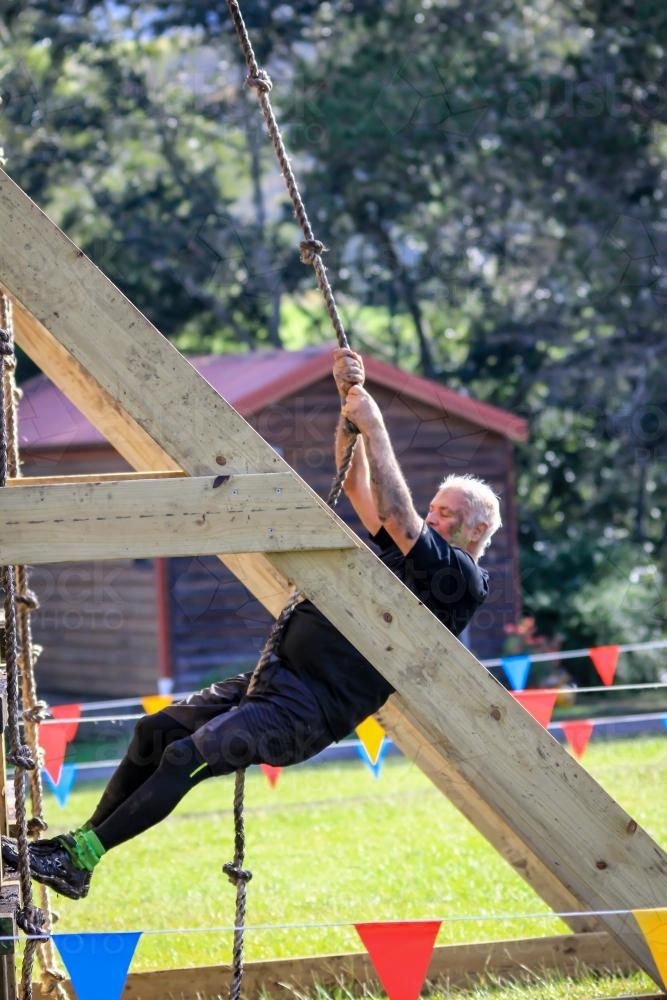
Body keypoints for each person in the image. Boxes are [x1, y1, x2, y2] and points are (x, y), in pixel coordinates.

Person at [2, 348, 501, 900]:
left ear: (476, 531)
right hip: (272, 681)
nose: (433, 516)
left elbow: (396, 513)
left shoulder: (458, 579)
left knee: (183, 756)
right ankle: (74, 853)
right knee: (156, 732)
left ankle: (82, 856)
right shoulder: (411, 555)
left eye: (447, 513)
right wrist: (349, 414)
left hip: (307, 710)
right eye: (435, 506)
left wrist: (376, 422)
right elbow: (360, 487)